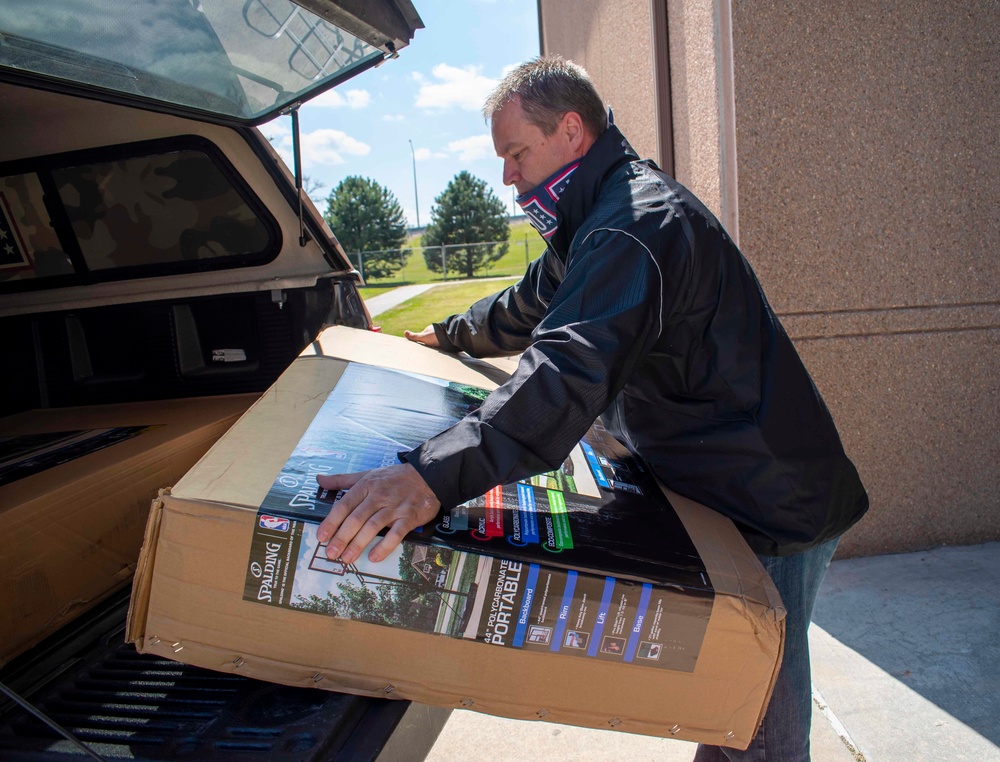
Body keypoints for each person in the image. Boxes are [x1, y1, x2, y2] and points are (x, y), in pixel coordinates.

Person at [317, 56, 868, 761]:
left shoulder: (632, 228)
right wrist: (445, 335)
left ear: (570, 131)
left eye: (516, 153)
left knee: (758, 729)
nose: (507, 176)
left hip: (770, 503)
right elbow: (531, 302)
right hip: (724, 488)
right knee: (726, 705)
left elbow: (564, 374)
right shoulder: (597, 219)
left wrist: (427, 477)